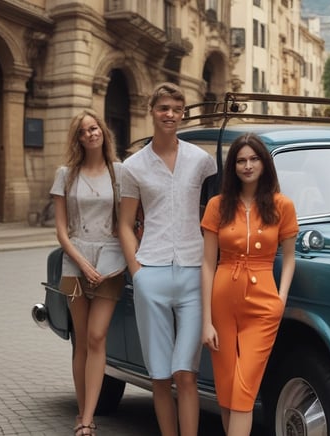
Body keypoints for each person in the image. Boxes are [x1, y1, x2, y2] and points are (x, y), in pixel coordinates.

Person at [117, 82, 217, 436]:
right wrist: (138, 273)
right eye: (163, 108)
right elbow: (124, 224)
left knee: (186, 374)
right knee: (159, 376)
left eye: (176, 109)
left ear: (183, 114)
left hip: (193, 275)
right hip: (152, 274)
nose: (170, 115)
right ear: (152, 111)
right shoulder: (133, 166)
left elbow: (213, 213)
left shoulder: (201, 161)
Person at [200, 134, 298, 435]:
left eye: (254, 159)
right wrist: (206, 322)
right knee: (227, 388)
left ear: (264, 163)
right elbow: (207, 263)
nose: (248, 166)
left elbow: (290, 258)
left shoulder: (282, 205)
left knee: (244, 391)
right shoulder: (217, 205)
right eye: (241, 160)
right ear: (233, 167)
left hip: (264, 303)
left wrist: (281, 298)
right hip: (222, 300)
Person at [50, 109, 126, 436]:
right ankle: (84, 416)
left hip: (110, 261)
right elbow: (61, 231)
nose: (90, 134)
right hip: (75, 260)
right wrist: (82, 264)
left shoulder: (119, 172)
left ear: (103, 131)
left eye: (94, 128)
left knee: (97, 336)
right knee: (81, 340)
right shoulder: (66, 174)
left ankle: (88, 415)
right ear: (78, 139)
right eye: (83, 132)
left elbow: (129, 219)